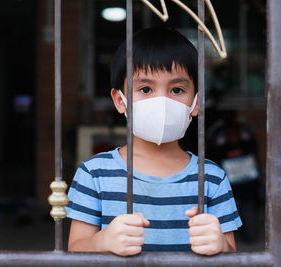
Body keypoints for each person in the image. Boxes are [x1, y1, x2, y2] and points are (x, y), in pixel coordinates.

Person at [66, 27, 242, 256]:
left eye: (177, 89)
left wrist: (220, 245)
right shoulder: (94, 174)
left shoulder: (212, 178)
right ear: (120, 100)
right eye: (145, 89)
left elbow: (232, 253)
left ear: (196, 102)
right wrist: (102, 241)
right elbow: (74, 250)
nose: (162, 102)